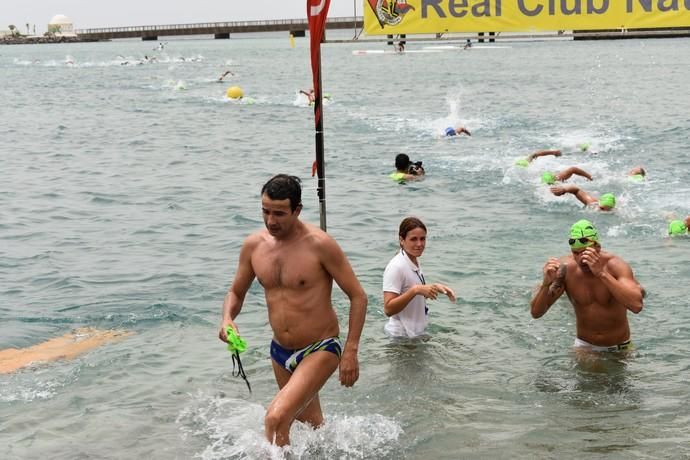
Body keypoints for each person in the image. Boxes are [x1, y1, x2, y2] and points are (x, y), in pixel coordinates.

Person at [217, 174, 367, 447]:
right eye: (265, 211)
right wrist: (227, 318)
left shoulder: (320, 245)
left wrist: (351, 351)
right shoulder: (254, 246)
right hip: (279, 352)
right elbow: (235, 292)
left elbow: (358, 296)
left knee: (275, 419)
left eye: (279, 213)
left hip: (320, 348)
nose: (271, 221)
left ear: (297, 210)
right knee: (310, 427)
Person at [530, 220, 644, 352]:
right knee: (591, 366)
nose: (580, 259)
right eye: (576, 253)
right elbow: (536, 313)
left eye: (584, 252)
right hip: (585, 347)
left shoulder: (616, 266)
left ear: (597, 247)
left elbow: (636, 305)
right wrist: (546, 284)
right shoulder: (566, 269)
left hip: (620, 347)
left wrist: (601, 273)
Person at [383, 217, 456, 337]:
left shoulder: (412, 260)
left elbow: (410, 290)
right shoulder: (396, 267)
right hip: (401, 337)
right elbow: (388, 309)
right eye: (413, 239)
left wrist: (433, 287)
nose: (419, 244)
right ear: (402, 240)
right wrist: (416, 290)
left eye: (423, 239)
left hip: (415, 333)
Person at [550, 184, 616, 211]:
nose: (603, 211)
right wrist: (564, 190)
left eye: (607, 210)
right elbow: (576, 190)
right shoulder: (592, 203)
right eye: (601, 208)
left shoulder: (614, 211)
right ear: (599, 203)